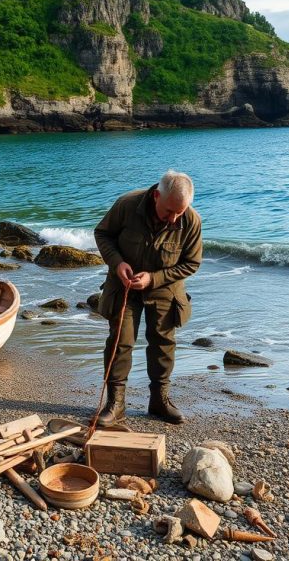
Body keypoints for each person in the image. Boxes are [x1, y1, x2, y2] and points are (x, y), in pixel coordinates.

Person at [93, 170, 202, 426]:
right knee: (120, 341)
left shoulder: (192, 220)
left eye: (180, 212)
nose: (174, 218)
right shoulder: (127, 205)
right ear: (156, 196)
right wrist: (117, 263)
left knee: (163, 344)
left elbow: (191, 263)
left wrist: (153, 279)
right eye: (169, 212)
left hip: (165, 288)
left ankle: (159, 401)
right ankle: (116, 404)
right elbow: (103, 234)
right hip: (124, 285)